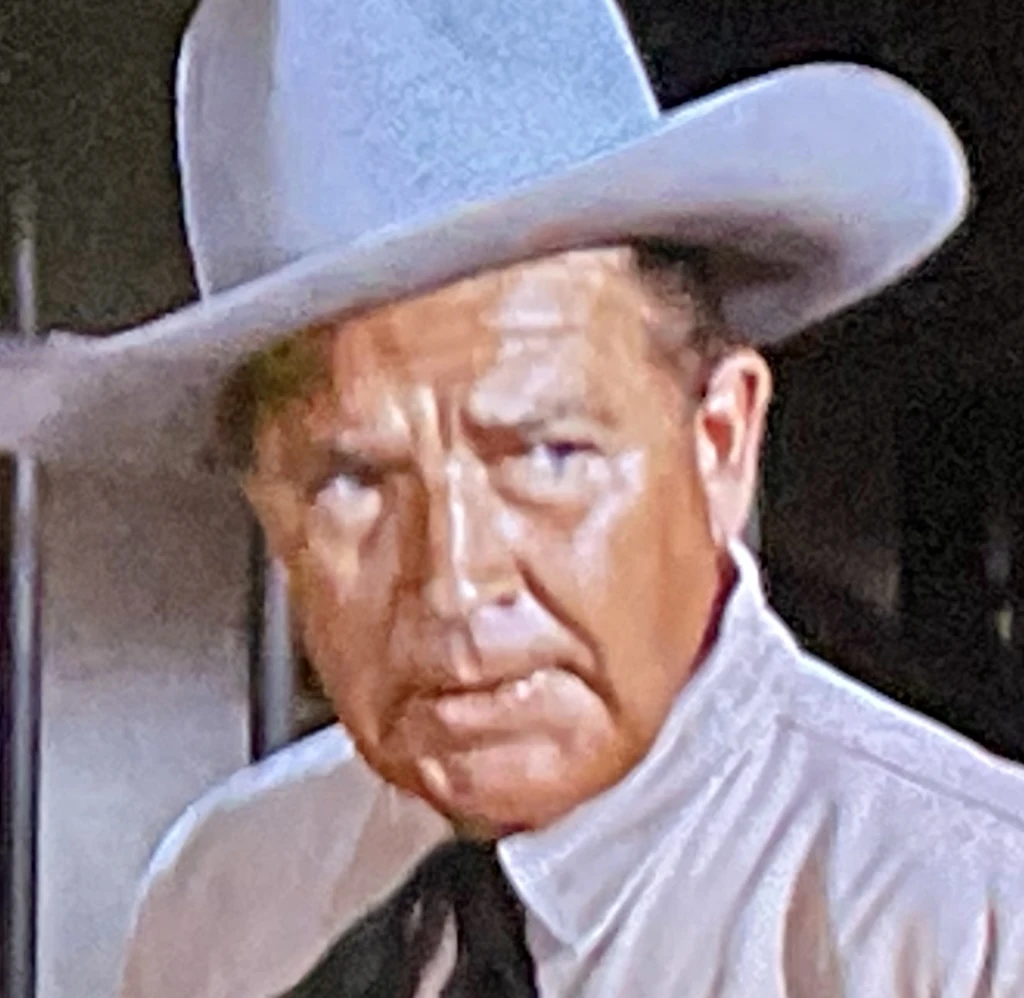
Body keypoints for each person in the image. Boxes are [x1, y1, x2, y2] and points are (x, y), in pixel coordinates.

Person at [3, 0, 1018, 994]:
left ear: (719, 443)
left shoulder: (970, 927)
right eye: (352, 481)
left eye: (546, 456)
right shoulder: (222, 896)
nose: (454, 583)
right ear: (271, 512)